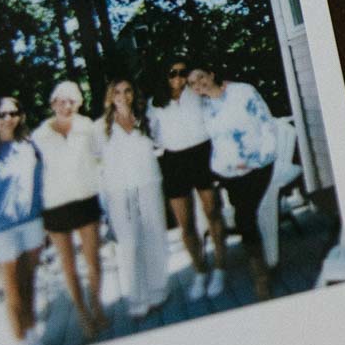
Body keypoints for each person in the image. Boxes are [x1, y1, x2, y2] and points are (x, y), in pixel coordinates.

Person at [189, 63, 280, 301]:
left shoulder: (243, 92)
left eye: (200, 77)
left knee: (243, 216)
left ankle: (260, 275)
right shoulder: (205, 107)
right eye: (192, 83)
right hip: (228, 173)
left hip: (258, 166)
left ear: (211, 73)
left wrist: (256, 160)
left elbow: (267, 126)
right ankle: (252, 263)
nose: (199, 84)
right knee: (237, 213)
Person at [31, 80, 108, 338]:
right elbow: (33, 176)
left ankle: (97, 307)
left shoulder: (87, 127)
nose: (66, 106)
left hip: (86, 199)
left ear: (79, 104)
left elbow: (101, 155)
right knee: (69, 266)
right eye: (61, 101)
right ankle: (83, 314)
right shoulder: (39, 137)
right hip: (54, 205)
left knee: (93, 260)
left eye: (72, 101)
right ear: (53, 104)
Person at [0, 96, 48, 345]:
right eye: (2, 114)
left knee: (29, 286)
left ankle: (32, 338)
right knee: (13, 292)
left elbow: (39, 188)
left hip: (31, 225)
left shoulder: (30, 147)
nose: (8, 119)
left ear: (20, 116)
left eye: (13, 113)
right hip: (1, 232)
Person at [150, 56, 225, 300]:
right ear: (165, 75)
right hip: (174, 161)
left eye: (183, 72)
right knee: (187, 224)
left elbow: (219, 102)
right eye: (173, 73)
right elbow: (154, 137)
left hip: (203, 153)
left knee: (213, 212)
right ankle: (201, 271)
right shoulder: (155, 103)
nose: (179, 78)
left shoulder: (197, 92)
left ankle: (220, 268)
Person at [97, 79, 170, 320]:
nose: (122, 95)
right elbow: (96, 165)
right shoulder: (101, 128)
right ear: (110, 97)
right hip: (119, 192)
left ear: (133, 94)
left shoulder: (146, 119)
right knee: (129, 244)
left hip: (148, 183)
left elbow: (161, 143)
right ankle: (138, 299)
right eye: (117, 91)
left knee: (154, 236)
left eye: (127, 90)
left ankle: (158, 290)